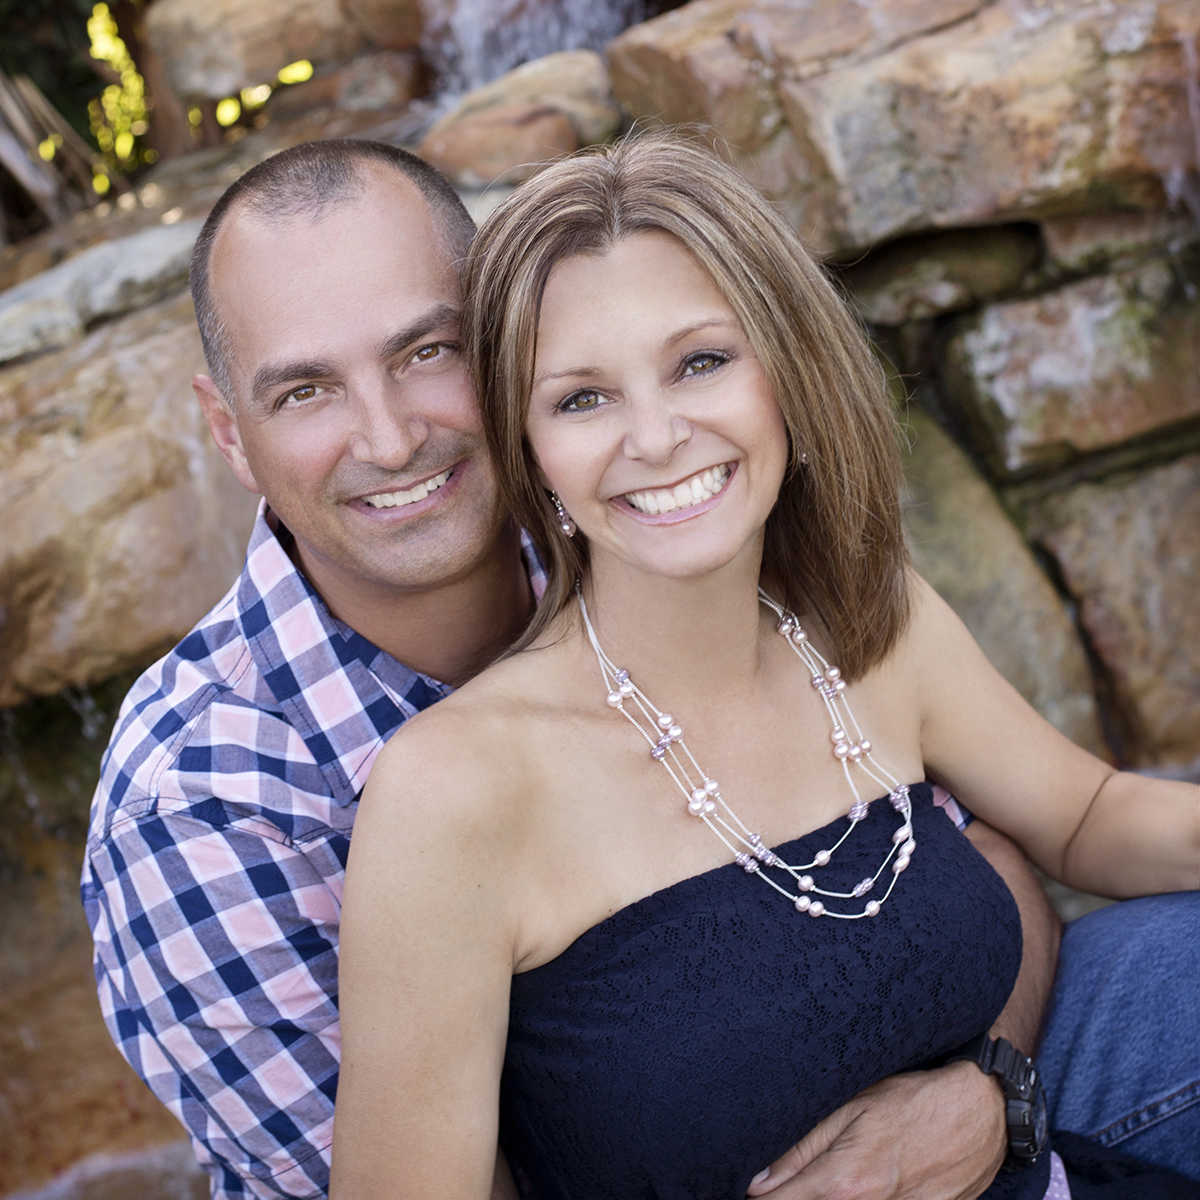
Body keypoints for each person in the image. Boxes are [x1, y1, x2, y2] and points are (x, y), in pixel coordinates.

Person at [81, 137, 1196, 1200]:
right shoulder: (207, 804)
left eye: (429, 351)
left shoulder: (704, 563)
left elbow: (997, 853)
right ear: (228, 432)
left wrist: (990, 1098)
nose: (388, 439)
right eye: (305, 390)